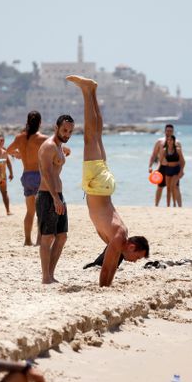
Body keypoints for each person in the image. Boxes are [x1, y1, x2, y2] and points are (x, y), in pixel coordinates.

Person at [67, 75, 150, 287]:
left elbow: (112, 264)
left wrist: (109, 282)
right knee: (90, 137)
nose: (135, 261)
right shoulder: (119, 238)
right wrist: (105, 287)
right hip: (98, 184)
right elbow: (107, 267)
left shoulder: (120, 237)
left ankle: (92, 90)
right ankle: (87, 91)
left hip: (103, 186)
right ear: (132, 247)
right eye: (137, 257)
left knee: (97, 136)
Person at [36, 115, 74, 284]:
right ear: (56, 127)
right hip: (47, 196)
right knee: (47, 237)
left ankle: (51, 274)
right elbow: (46, 173)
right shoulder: (49, 146)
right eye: (65, 130)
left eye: (70, 131)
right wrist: (55, 198)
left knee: (62, 236)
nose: (67, 134)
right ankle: (46, 277)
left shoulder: (59, 146)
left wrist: (65, 152)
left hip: (58, 196)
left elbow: (56, 163)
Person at [7, 111, 49, 245]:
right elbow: (57, 147)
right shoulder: (42, 138)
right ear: (40, 123)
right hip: (38, 176)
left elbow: (8, 150)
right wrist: (67, 151)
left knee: (30, 211)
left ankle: (27, 240)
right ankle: (38, 240)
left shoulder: (20, 138)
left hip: (26, 176)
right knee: (41, 211)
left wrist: (18, 154)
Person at [148, 124, 177, 207]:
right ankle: (156, 205)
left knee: (173, 188)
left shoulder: (176, 142)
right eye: (167, 131)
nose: (169, 132)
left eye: (170, 131)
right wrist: (150, 166)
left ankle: (174, 206)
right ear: (165, 131)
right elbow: (154, 155)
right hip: (162, 167)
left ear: (173, 132)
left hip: (172, 167)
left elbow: (179, 157)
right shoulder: (159, 142)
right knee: (160, 187)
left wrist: (181, 170)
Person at [158, 134, 185, 208]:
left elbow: (183, 161)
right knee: (168, 188)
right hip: (168, 169)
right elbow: (160, 160)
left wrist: (181, 171)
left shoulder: (178, 150)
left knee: (173, 186)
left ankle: (174, 204)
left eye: (171, 140)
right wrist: (162, 166)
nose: (169, 141)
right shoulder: (164, 150)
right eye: (168, 140)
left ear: (174, 141)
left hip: (176, 169)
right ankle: (168, 205)